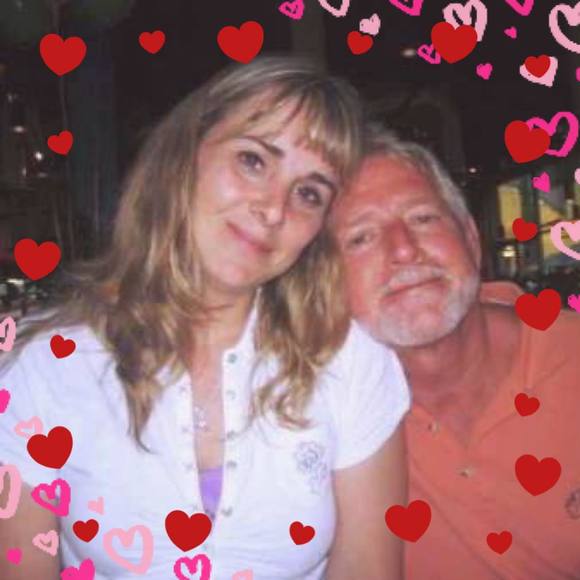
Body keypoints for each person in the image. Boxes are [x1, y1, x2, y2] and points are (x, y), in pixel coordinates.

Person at [0, 58, 410, 579]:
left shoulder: (351, 362)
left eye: (309, 193)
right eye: (253, 161)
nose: (274, 208)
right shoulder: (42, 366)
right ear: (183, 156)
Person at [330, 125, 580, 580]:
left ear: (470, 237)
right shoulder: (324, 420)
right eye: (361, 237)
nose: (403, 249)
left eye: (423, 218)